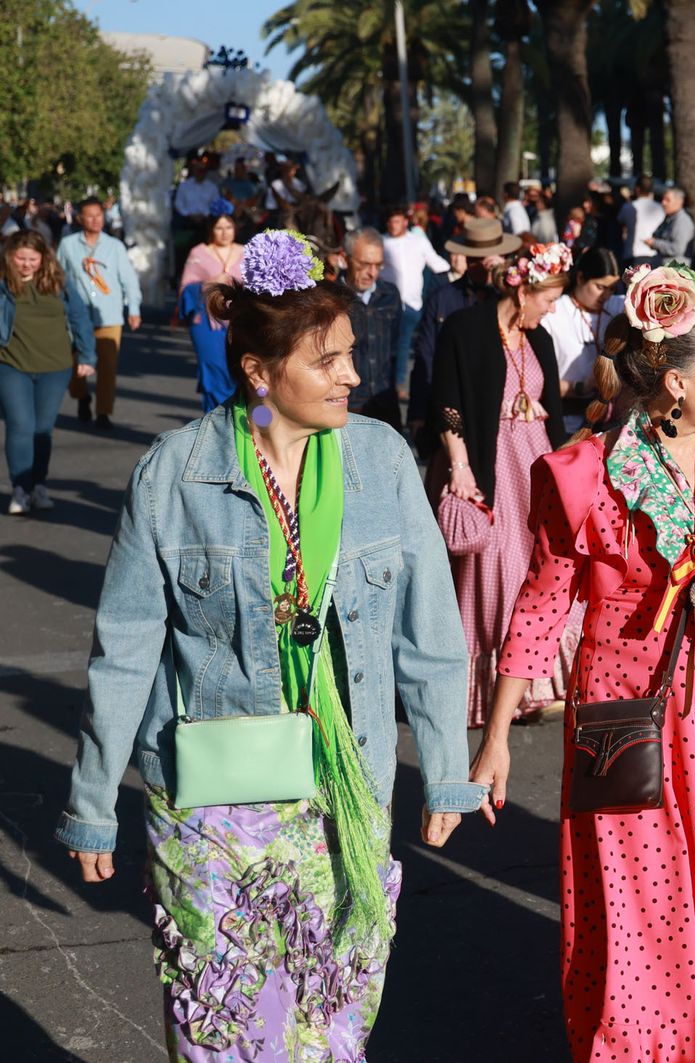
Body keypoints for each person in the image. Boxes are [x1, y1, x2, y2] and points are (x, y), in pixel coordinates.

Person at [55, 229, 484, 1059]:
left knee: (326, 1032)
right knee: (223, 1030)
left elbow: (430, 632)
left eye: (351, 356)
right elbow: (126, 651)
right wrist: (93, 801)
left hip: (342, 794)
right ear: (259, 370)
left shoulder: (382, 461)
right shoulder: (174, 475)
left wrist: (445, 766)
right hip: (215, 802)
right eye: (328, 360)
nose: (353, 376)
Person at [471, 266, 695, 1061]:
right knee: (642, 919)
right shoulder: (589, 473)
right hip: (629, 724)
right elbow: (540, 605)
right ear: (672, 383)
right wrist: (495, 736)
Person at [432, 242, 570, 728]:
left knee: (541, 568)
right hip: (491, 466)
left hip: (535, 468)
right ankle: (488, 695)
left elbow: (552, 418)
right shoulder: (465, 329)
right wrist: (460, 466)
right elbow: (447, 402)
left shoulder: (542, 340)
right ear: (524, 287)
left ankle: (537, 686)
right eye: (548, 299)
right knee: (494, 572)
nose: (552, 309)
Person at [1, 230, 95, 514]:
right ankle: (20, 487)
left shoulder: (59, 283)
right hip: (11, 364)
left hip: (55, 366)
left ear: (43, 258)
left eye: (33, 258)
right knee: (20, 425)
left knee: (42, 430)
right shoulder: (3, 284)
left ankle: (38, 485)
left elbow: (80, 318)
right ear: (10, 257)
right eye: (21, 258)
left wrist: (87, 354)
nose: (27, 264)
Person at [407, 216, 520, 435]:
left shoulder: (512, 299)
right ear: (467, 259)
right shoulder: (443, 298)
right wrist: (417, 413)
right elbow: (425, 356)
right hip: (450, 407)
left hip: (501, 411)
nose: (484, 266)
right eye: (476, 259)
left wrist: (504, 283)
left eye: (488, 259)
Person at [57, 197, 141, 429]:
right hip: (76, 315)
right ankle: (81, 395)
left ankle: (103, 412)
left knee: (107, 366)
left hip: (109, 314)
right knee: (75, 365)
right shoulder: (68, 245)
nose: (95, 220)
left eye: (99, 215)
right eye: (90, 215)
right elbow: (58, 279)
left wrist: (133, 308)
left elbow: (129, 280)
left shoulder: (115, 246)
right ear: (80, 218)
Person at [543, 246, 621, 436]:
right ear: (580, 278)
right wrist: (582, 386)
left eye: (611, 289)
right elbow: (540, 383)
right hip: (566, 419)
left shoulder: (616, 306)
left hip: (608, 421)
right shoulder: (554, 313)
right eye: (600, 287)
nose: (606, 295)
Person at [380, 203, 450, 404]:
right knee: (391, 346)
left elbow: (435, 262)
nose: (394, 225)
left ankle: (400, 384)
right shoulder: (381, 242)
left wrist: (455, 272)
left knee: (404, 345)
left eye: (397, 221)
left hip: (412, 304)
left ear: (405, 221)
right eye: (390, 221)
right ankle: (393, 385)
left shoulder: (417, 241)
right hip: (387, 304)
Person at [177, 203, 244, 411]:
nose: (224, 233)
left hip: (240, 320)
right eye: (219, 228)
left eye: (229, 227)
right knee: (213, 368)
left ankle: (238, 422)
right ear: (211, 229)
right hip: (207, 322)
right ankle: (213, 418)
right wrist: (209, 283)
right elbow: (185, 290)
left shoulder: (247, 252)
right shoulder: (198, 253)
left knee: (239, 370)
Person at [339, 228, 404, 429]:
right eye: (365, 264)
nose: (372, 273)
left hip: (385, 404)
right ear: (345, 258)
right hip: (348, 406)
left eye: (378, 265)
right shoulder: (332, 299)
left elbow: (396, 348)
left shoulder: (390, 294)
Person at [618, 175, 664, 267]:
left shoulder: (628, 207)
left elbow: (620, 221)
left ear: (637, 189)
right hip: (653, 253)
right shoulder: (660, 208)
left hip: (632, 253)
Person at [647, 186, 695, 264]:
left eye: (667, 200)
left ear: (679, 202)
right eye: (663, 199)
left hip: (675, 271)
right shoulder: (669, 218)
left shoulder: (682, 221)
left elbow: (677, 248)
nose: (663, 203)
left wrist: (655, 243)